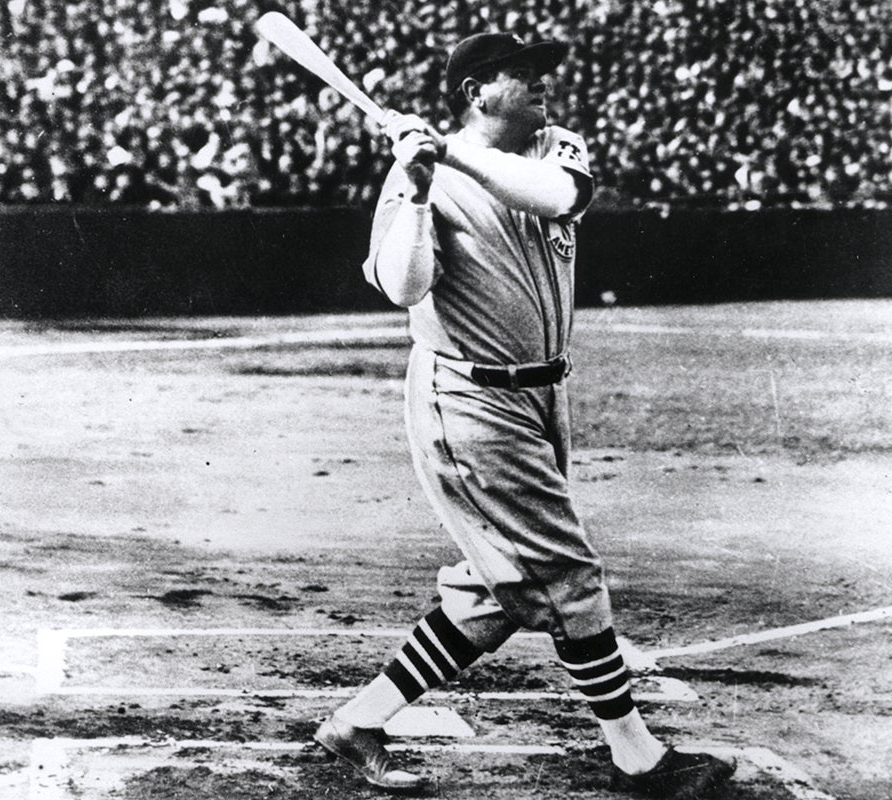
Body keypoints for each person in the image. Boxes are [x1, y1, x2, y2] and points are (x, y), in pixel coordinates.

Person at [312, 31, 737, 798]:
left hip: (541, 396)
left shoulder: (552, 148)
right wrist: (413, 181)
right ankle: (635, 753)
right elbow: (404, 287)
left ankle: (358, 721)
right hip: (467, 397)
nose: (542, 83)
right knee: (566, 573)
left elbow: (563, 197)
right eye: (523, 73)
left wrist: (445, 150)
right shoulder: (419, 173)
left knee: (500, 585)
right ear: (478, 92)